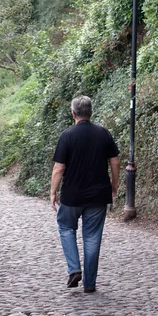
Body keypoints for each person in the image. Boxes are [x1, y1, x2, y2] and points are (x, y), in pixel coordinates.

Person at [50, 95, 120, 293]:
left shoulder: (67, 135)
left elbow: (59, 168)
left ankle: (74, 269)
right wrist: (114, 186)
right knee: (92, 238)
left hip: (71, 196)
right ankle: (89, 284)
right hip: (98, 196)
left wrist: (53, 191)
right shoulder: (103, 134)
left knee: (65, 227)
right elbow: (115, 162)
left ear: (73, 114)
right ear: (91, 112)